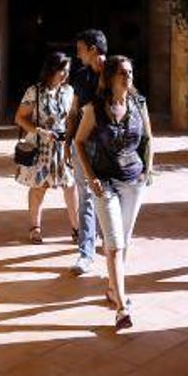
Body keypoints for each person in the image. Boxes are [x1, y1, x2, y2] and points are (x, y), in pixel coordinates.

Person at [74, 55, 154, 331]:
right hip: (104, 182)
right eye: (122, 72)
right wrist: (90, 176)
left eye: (130, 71)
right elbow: (79, 142)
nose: (128, 76)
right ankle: (121, 307)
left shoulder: (137, 102)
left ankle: (111, 288)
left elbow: (147, 139)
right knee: (115, 244)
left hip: (134, 181)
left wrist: (148, 170)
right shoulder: (94, 108)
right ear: (109, 77)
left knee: (125, 240)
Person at [14, 52, 78, 243]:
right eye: (61, 71)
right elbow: (19, 118)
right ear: (51, 70)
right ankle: (35, 228)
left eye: (67, 72)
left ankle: (77, 228)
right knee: (39, 187)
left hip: (63, 148)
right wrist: (39, 131)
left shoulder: (69, 91)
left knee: (70, 186)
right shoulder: (34, 92)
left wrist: (71, 135)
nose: (64, 75)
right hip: (42, 146)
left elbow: (73, 116)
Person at [68, 29, 107, 274]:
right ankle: (86, 253)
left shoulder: (117, 71)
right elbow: (73, 110)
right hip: (83, 144)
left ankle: (110, 240)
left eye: (81, 48)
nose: (78, 53)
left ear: (93, 49)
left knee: (109, 193)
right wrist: (67, 141)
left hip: (109, 146)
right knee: (86, 197)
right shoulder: (80, 76)